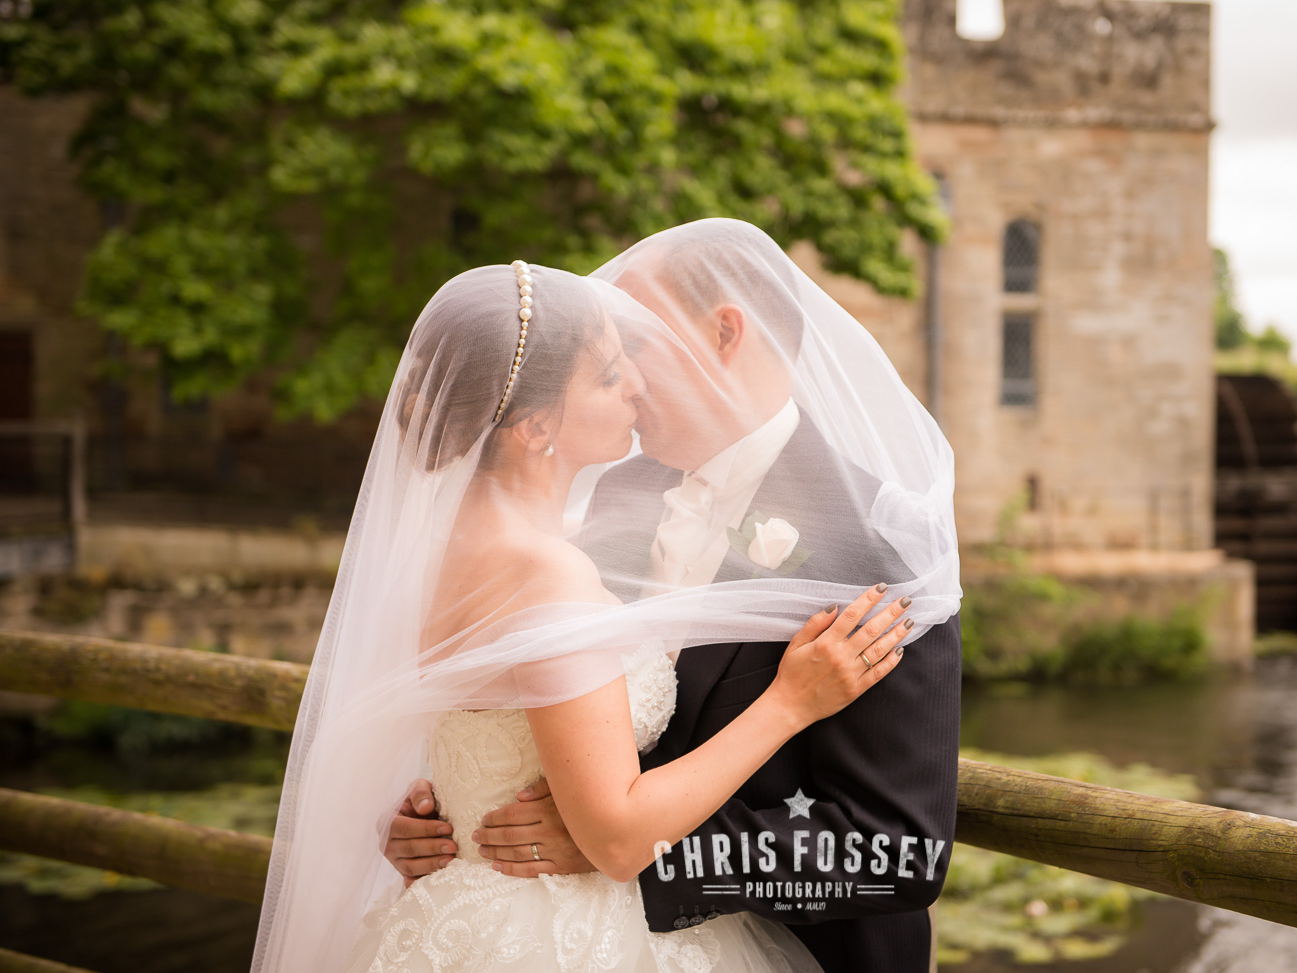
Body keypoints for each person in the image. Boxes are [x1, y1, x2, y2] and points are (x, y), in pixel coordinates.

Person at [254, 221, 962, 973]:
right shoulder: (604, 499)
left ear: (725, 333)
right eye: (610, 355)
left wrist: (634, 858)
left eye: (640, 340)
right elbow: (542, 711)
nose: (625, 370)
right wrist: (456, 818)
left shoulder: (878, 551)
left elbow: (899, 852)